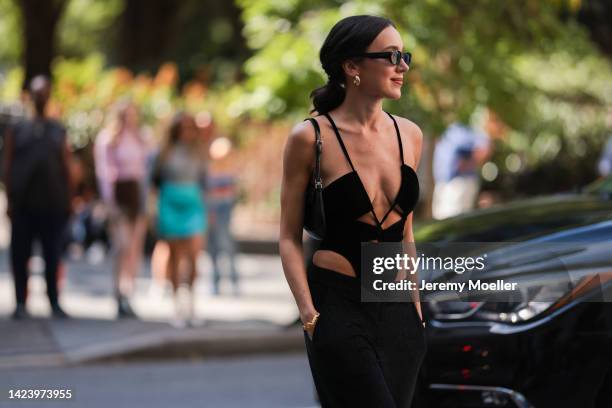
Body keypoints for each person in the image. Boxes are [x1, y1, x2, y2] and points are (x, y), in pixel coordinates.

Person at [279, 15, 426, 407]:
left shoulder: (409, 135)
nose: (403, 66)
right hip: (338, 309)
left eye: (404, 55)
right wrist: (309, 314)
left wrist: (414, 307)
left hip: (398, 312)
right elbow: (288, 237)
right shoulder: (310, 137)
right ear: (351, 66)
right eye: (391, 55)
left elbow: (406, 233)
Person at [2, 75, 74, 319]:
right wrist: (9, 199)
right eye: (37, 93)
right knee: (20, 255)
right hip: (23, 203)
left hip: (52, 203)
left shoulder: (57, 130)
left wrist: (69, 199)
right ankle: (21, 301)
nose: (40, 98)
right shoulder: (17, 130)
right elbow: (8, 164)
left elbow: (66, 166)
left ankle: (54, 300)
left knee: (52, 254)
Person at [94, 100, 150, 318]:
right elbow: (104, 172)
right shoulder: (109, 138)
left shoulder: (140, 137)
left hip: (137, 194)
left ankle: (129, 293)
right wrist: (110, 202)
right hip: (119, 194)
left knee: (135, 249)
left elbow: (145, 169)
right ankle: (118, 292)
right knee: (123, 246)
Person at [153, 111, 208, 327]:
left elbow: (205, 181)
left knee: (194, 255)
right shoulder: (164, 152)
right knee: (175, 256)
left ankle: (192, 303)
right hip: (170, 203)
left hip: (192, 203)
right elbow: (154, 181)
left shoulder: (199, 152)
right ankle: (177, 306)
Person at [432, 110, 495, 219]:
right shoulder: (446, 129)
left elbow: (485, 149)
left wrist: (467, 165)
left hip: (459, 184)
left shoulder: (465, 128)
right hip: (443, 184)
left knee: (452, 221)